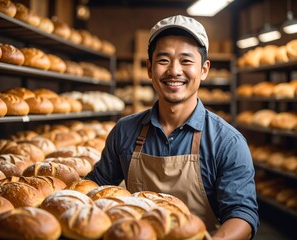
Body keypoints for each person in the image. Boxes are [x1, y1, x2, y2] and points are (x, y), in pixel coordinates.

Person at [86, 15, 259, 239]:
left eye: (186, 61)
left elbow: (242, 214)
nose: (174, 71)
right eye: (163, 60)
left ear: (204, 69)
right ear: (149, 68)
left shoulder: (227, 141)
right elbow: (95, 189)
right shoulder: (125, 130)